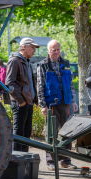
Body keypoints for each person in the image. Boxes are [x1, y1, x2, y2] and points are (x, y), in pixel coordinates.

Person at [37, 39, 78, 171]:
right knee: (51, 132)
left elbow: (71, 84)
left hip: (66, 102)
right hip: (51, 104)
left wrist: (74, 101)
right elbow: (40, 86)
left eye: (58, 49)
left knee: (67, 131)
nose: (56, 52)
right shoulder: (42, 65)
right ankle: (51, 161)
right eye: (53, 50)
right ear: (48, 51)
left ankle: (66, 160)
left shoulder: (65, 63)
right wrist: (43, 104)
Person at [5, 37, 39, 152]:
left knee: (26, 134)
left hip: (28, 102)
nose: (35, 50)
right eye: (33, 47)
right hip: (20, 103)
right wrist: (21, 101)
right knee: (18, 134)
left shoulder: (26, 61)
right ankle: (16, 163)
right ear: (24, 47)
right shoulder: (15, 60)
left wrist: (34, 100)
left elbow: (30, 83)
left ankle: (24, 161)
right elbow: (9, 83)